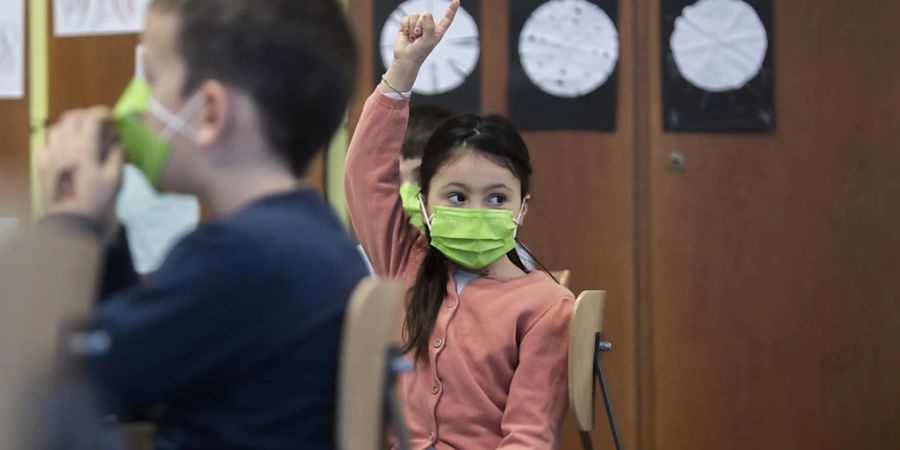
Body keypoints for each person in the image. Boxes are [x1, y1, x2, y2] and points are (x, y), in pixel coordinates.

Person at [36, 0, 365, 448]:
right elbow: (138, 364)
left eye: (150, 78)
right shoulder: (306, 239)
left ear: (209, 111)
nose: (134, 105)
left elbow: (49, 383)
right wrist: (108, 233)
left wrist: (66, 218)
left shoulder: (242, 257)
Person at [345, 1, 574, 448]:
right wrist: (402, 71)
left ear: (522, 208)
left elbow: (528, 436)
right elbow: (364, 173)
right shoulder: (403, 260)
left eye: (496, 198)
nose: (474, 212)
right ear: (423, 204)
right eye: (456, 196)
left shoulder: (547, 305)